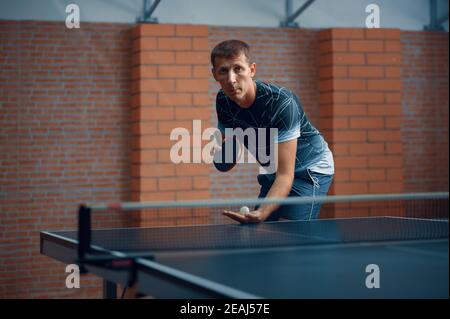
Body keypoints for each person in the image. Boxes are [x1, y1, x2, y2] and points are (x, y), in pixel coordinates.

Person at [211, 39, 334, 224]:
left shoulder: (281, 103)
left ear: (251, 70)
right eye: (223, 71)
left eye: (238, 69)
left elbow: (286, 175)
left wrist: (262, 212)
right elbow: (228, 153)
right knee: (262, 229)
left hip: (310, 169)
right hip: (274, 170)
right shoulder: (223, 101)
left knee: (292, 233)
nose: (231, 79)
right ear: (215, 75)